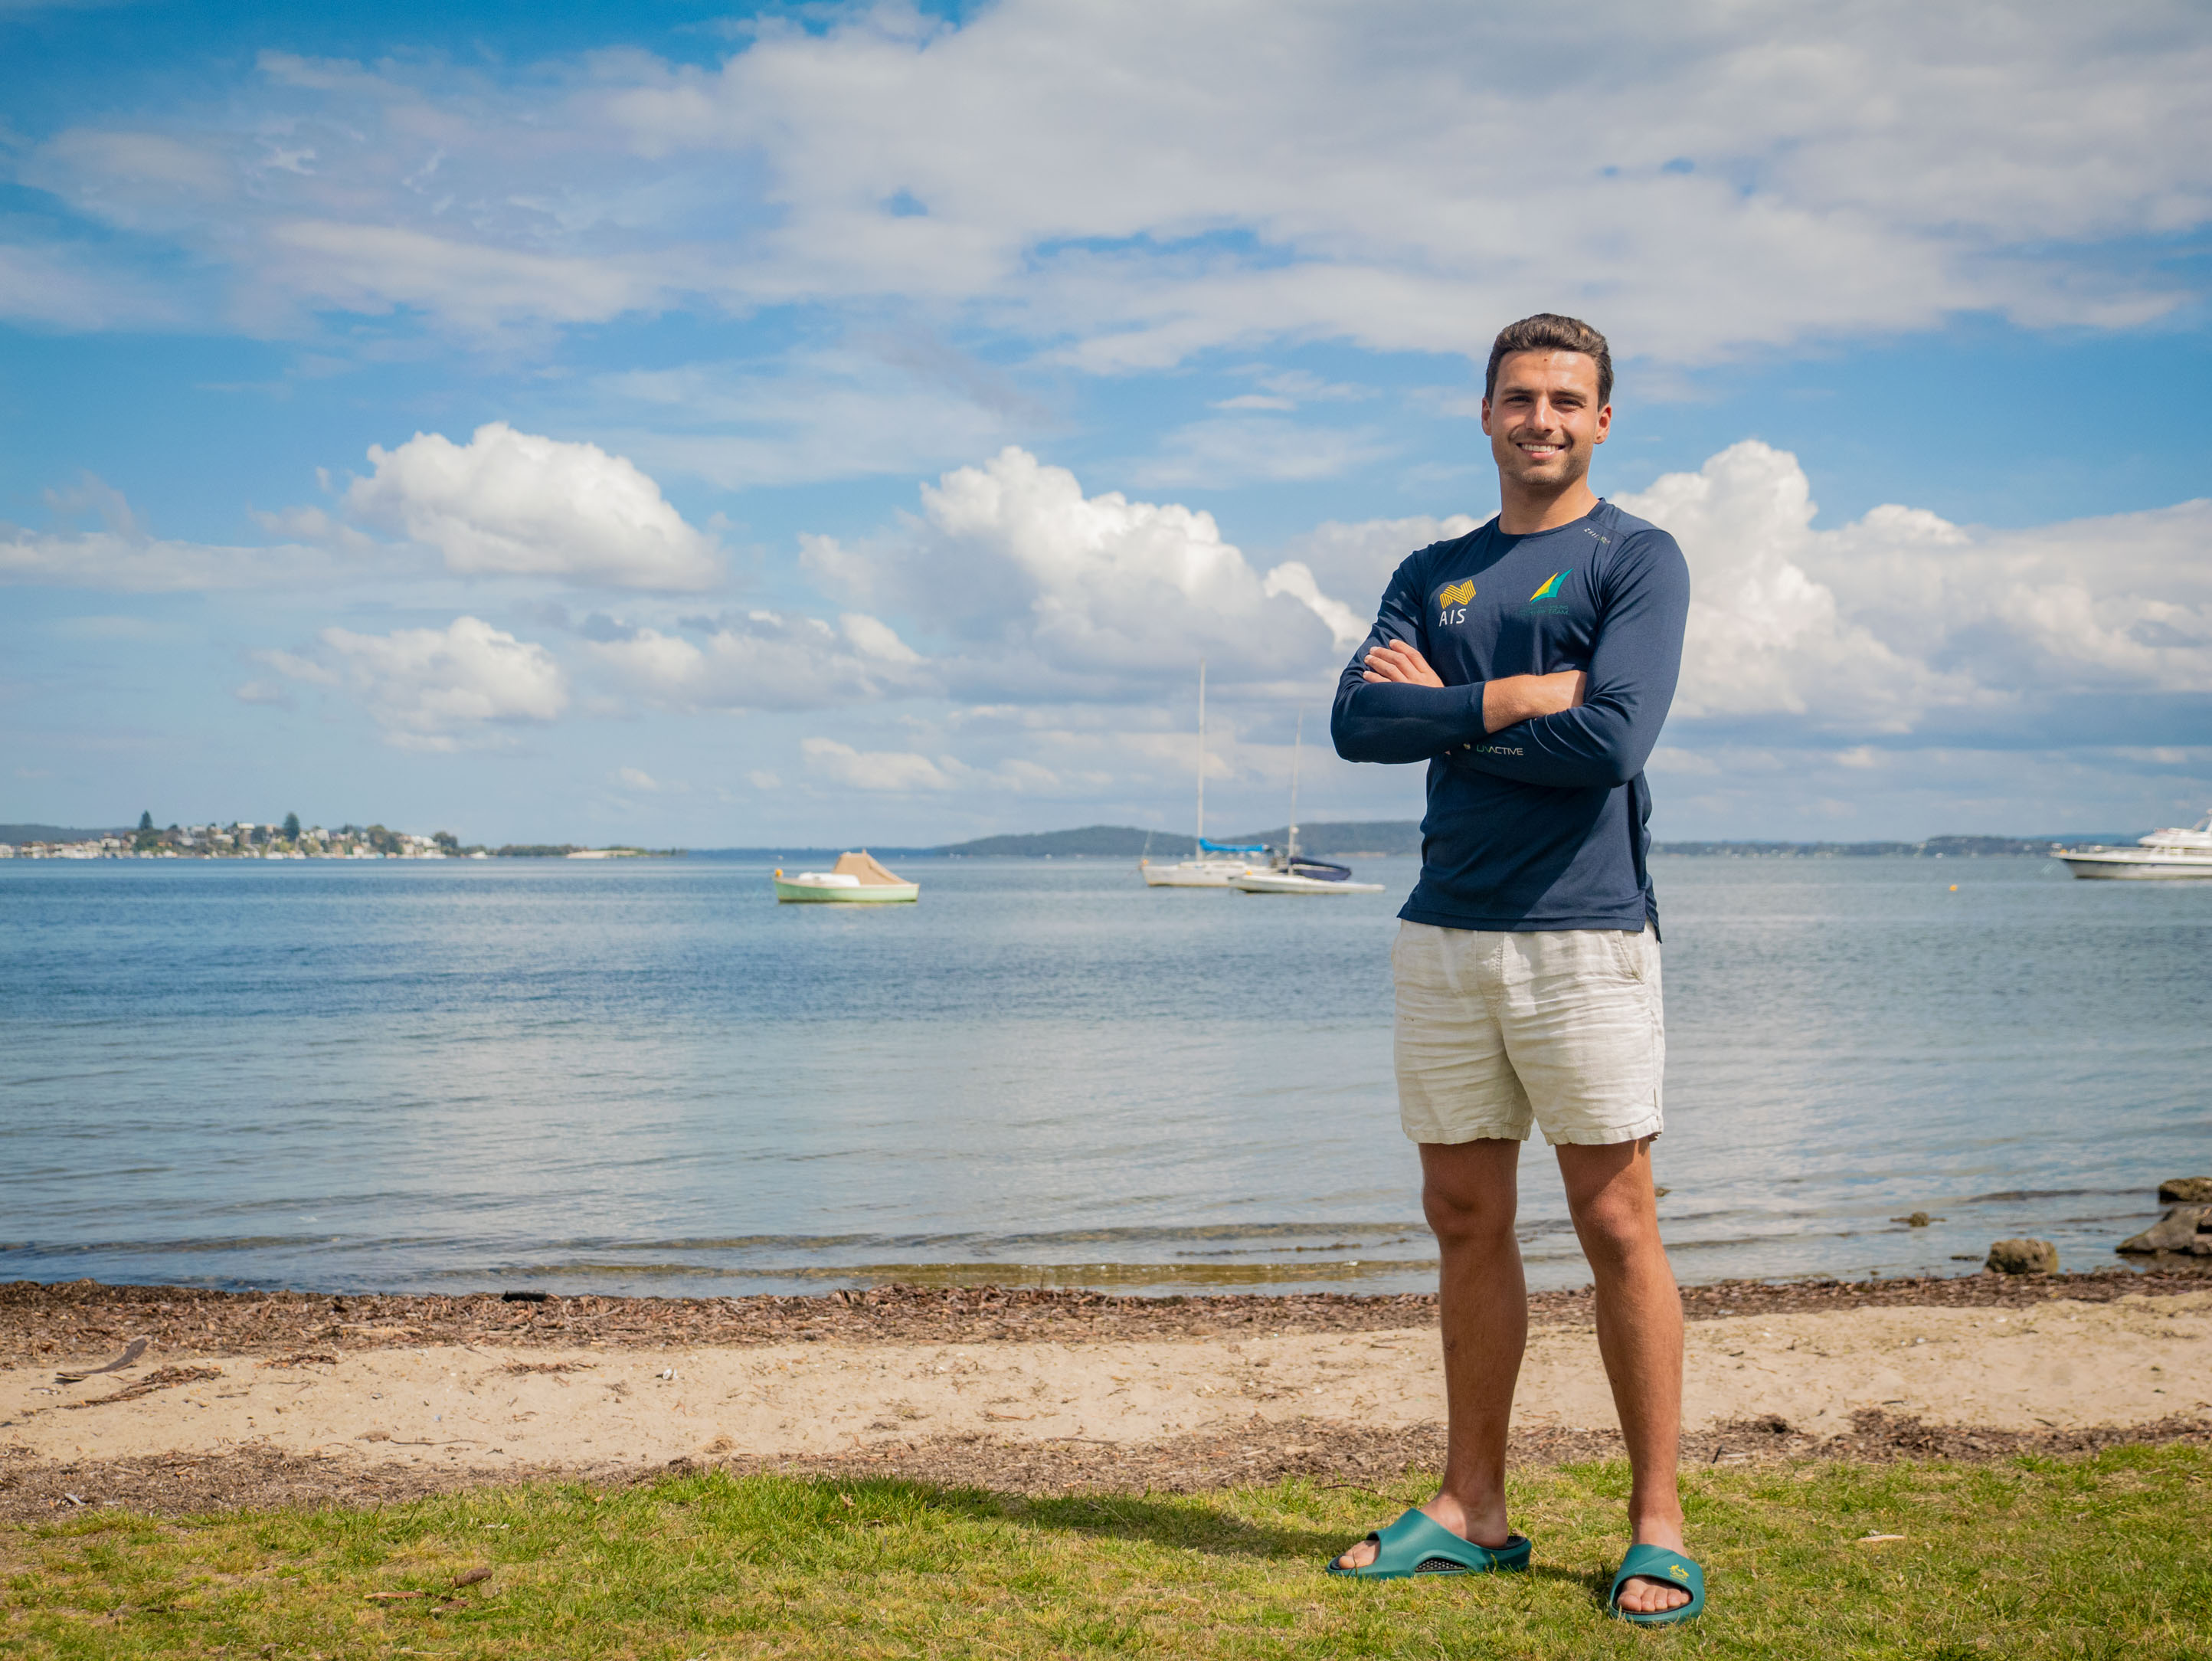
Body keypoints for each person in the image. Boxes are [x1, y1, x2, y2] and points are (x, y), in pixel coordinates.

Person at [1326, 313, 1700, 1624]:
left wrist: (1451, 716)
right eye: (1519, 397)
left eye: (1567, 400)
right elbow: (1354, 720)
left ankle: (1657, 1524)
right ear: (1483, 414)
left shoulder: (1636, 557)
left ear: (1603, 421)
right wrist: (1508, 699)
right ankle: (1472, 1511)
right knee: (1466, 1218)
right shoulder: (1433, 568)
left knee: (1614, 1219)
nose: (1541, 418)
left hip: (1587, 932)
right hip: (1444, 930)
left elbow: (1611, 743)